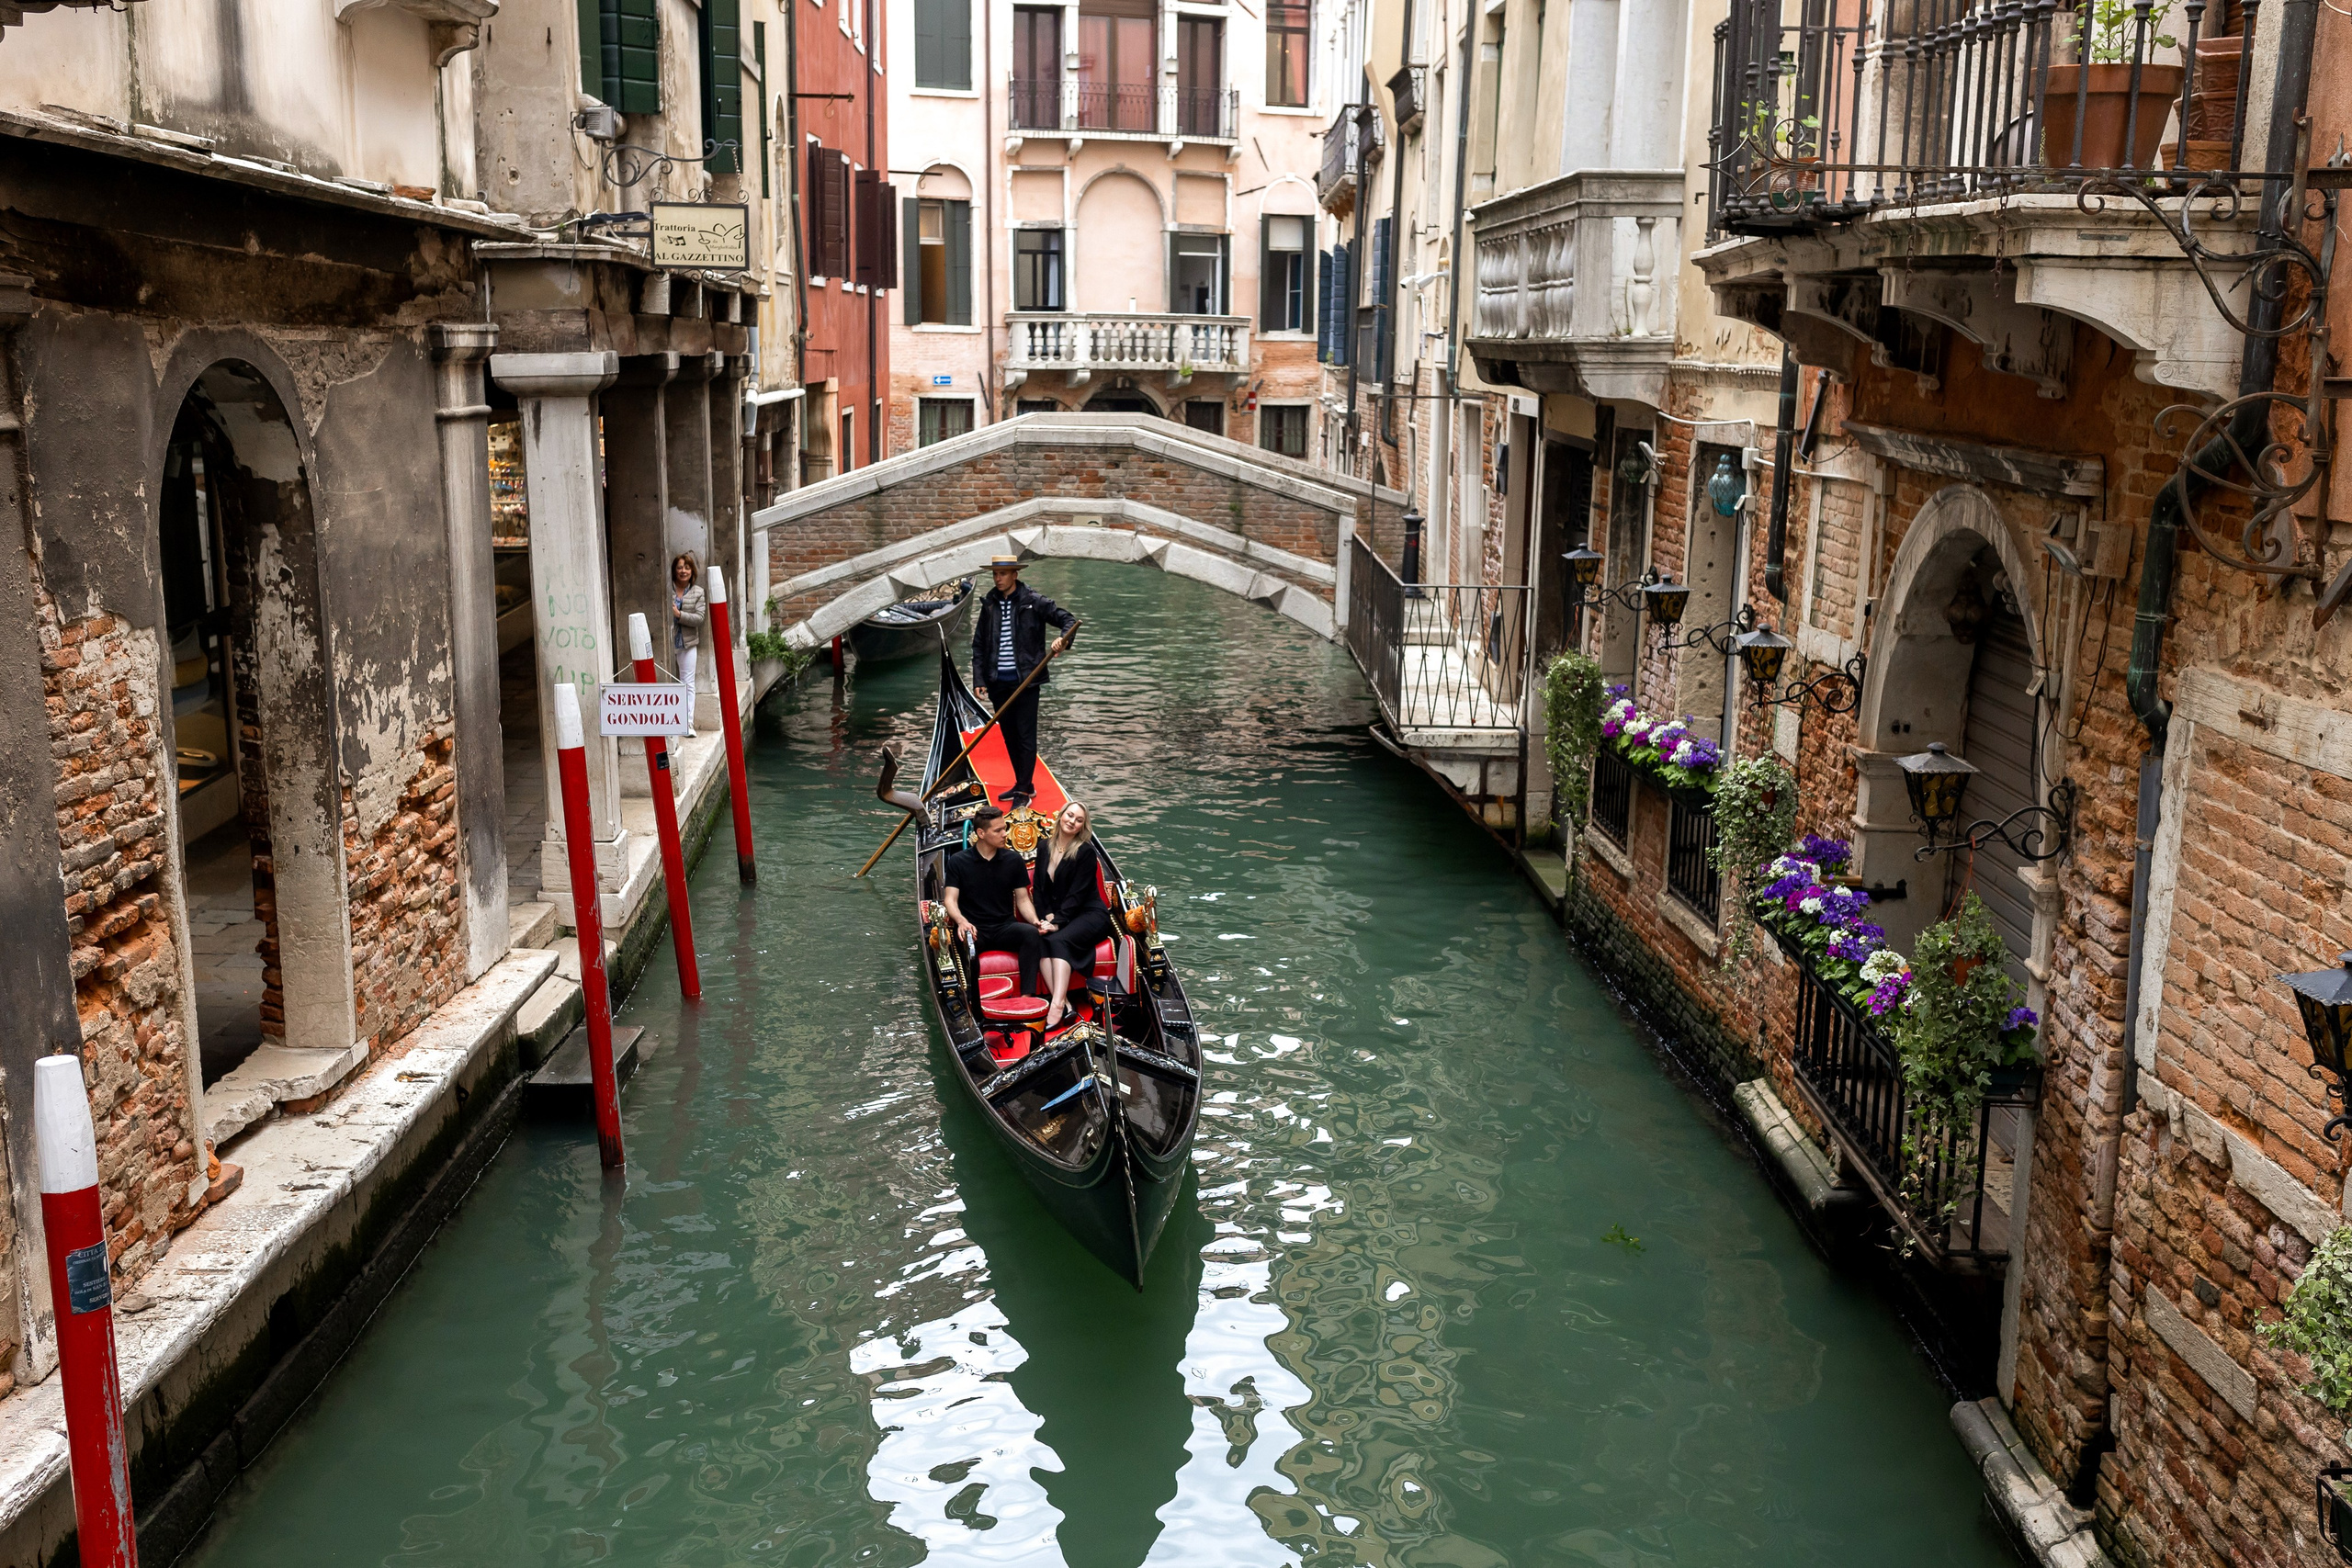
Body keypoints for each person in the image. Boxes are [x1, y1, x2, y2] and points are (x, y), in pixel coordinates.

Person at [969, 554, 1074, 807]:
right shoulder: (990, 604)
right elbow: (980, 644)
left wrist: (1063, 640)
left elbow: (1067, 621)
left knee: (1026, 736)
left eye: (1002, 574)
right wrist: (979, 678)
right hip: (997, 682)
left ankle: (1024, 794)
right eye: (995, 574)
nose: (998, 579)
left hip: (1026, 681)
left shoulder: (1033, 601)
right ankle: (1023, 784)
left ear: (1015, 574)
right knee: (1009, 735)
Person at [943, 806, 1047, 998]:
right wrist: (961, 921)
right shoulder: (958, 861)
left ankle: (1027, 996)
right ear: (981, 833)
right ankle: (971, 1000)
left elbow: (1023, 900)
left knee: (1031, 934)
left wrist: (1034, 920)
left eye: (1004, 828)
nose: (1005, 834)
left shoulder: (1013, 860)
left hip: (1004, 928)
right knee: (964, 941)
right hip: (974, 929)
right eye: (998, 830)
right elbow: (950, 900)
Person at [1033, 801, 1114, 1029]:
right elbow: (1039, 889)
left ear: (1082, 826)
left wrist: (1057, 923)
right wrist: (1047, 917)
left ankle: (1056, 1005)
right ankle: (1067, 1004)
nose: (1072, 822)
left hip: (1090, 914)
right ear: (1061, 816)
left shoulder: (1085, 851)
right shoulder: (1044, 847)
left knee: (1057, 940)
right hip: (1061, 914)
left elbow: (1078, 894)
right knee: (1041, 940)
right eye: (1070, 816)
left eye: (1079, 820)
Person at [670, 551, 706, 728]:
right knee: (668, 682)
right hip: (667, 642)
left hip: (688, 642)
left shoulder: (698, 592)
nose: (683, 571)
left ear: (692, 571)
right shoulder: (667, 590)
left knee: (687, 682)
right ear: (674, 570)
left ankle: (687, 723)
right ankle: (669, 721)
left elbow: (700, 618)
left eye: (687, 567)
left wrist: (679, 614)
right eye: (680, 567)